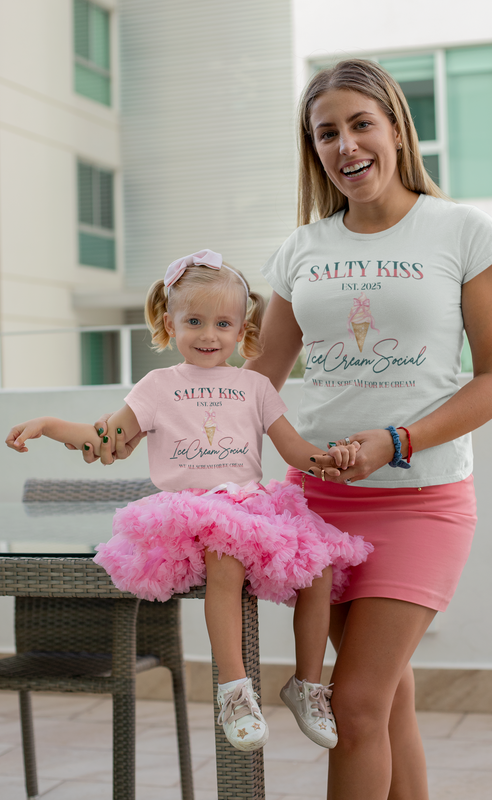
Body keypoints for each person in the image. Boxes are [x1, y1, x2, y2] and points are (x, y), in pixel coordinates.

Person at [38, 60, 492, 798]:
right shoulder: (301, 251)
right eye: (326, 132)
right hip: (314, 506)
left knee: (352, 702)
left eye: (360, 123)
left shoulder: (464, 231)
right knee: (384, 703)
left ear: (395, 126)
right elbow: (258, 375)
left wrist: (394, 442)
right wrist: (147, 421)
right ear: (312, 148)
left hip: (420, 498)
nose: (345, 144)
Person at [5, 249, 373, 756]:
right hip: (192, 510)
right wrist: (48, 425)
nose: (208, 335)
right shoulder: (158, 386)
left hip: (251, 504)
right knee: (225, 560)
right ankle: (235, 692)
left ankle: (307, 686)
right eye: (194, 321)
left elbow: (294, 448)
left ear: (242, 327)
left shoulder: (255, 386)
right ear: (168, 321)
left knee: (319, 569)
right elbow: (105, 435)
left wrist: (330, 459)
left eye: (223, 323)